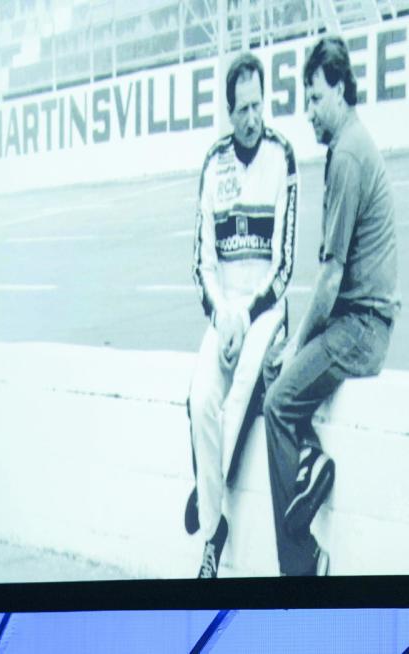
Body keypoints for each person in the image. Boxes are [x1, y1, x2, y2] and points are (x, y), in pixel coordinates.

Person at [263, 36, 399, 576]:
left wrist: (297, 348)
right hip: (361, 322)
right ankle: (311, 465)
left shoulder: (346, 154)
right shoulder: (355, 143)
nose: (308, 112)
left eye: (315, 98)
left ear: (339, 90)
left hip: (361, 328)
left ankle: (299, 568)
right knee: (276, 385)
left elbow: (329, 278)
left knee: (276, 402)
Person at [187, 52, 298, 578]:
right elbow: (202, 262)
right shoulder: (213, 163)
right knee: (200, 400)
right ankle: (214, 531)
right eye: (243, 109)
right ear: (229, 113)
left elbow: (284, 265)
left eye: (258, 105)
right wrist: (224, 318)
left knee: (234, 403)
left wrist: (247, 317)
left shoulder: (283, 156)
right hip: (225, 317)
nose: (252, 117)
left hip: (267, 314)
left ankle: (206, 492)